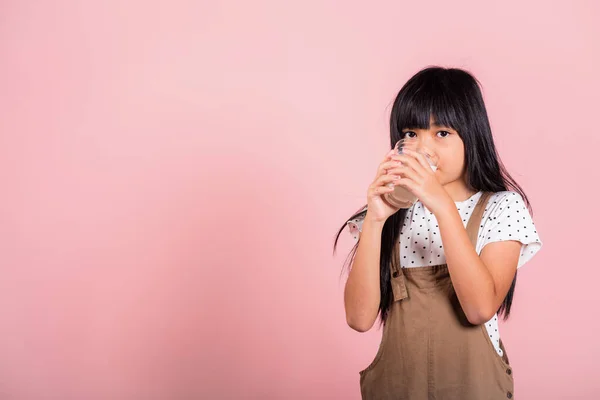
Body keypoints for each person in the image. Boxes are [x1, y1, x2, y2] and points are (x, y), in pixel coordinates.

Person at [332, 66, 542, 399]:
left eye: (441, 133)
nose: (421, 147)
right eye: (411, 134)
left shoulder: (502, 208)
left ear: (471, 135)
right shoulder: (392, 212)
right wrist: (374, 219)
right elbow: (358, 318)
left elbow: (479, 309)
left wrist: (442, 206)